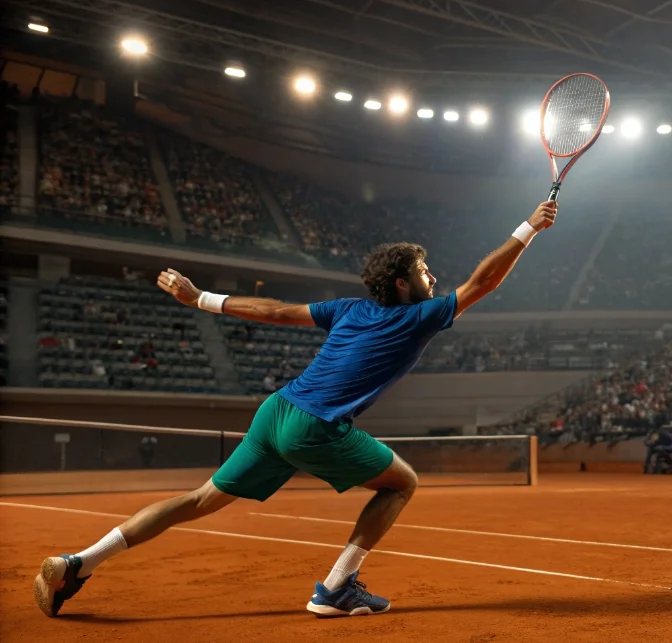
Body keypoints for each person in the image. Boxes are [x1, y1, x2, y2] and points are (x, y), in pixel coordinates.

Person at [33, 200, 559, 618]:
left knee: (199, 500)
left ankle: (77, 563)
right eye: (423, 269)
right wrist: (528, 228)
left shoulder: (348, 309)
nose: (432, 276)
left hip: (276, 411)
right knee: (402, 484)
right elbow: (483, 282)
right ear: (403, 283)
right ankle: (337, 587)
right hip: (314, 427)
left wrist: (202, 299)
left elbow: (278, 311)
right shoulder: (419, 316)